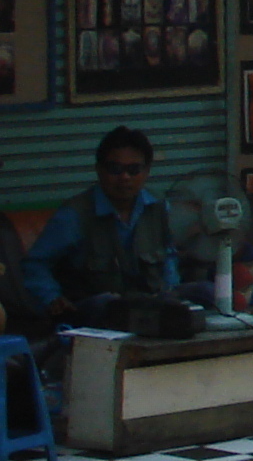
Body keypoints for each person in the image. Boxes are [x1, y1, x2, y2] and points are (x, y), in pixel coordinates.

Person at [22, 125, 188, 327]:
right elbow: (35, 265)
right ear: (99, 169)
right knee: (108, 303)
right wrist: (52, 298)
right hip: (95, 310)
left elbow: (168, 255)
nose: (124, 177)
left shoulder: (159, 207)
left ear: (147, 171)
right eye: (115, 169)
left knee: (204, 292)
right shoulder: (75, 214)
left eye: (134, 170)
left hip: (149, 304)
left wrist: (171, 292)